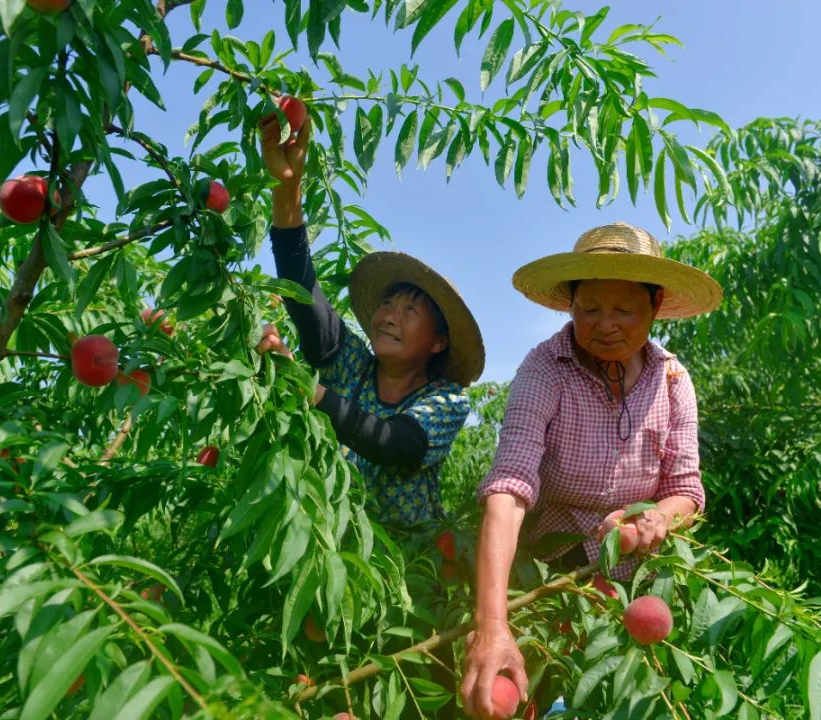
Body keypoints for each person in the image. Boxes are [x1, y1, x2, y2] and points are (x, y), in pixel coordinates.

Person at [459, 222, 722, 718]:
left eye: (624, 310)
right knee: (530, 696)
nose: (605, 325)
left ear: (655, 305)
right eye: (590, 309)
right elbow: (509, 487)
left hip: (639, 585)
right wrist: (492, 624)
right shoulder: (545, 369)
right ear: (570, 305)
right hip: (549, 572)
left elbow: (686, 489)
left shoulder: (672, 379)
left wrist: (657, 518)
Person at [256, 112, 485, 526]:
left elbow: (395, 443)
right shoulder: (352, 365)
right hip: (328, 546)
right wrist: (287, 187)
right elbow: (302, 289)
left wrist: (308, 389)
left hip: (406, 557)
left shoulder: (446, 400)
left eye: (410, 310)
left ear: (438, 341)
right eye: (388, 304)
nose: (390, 317)